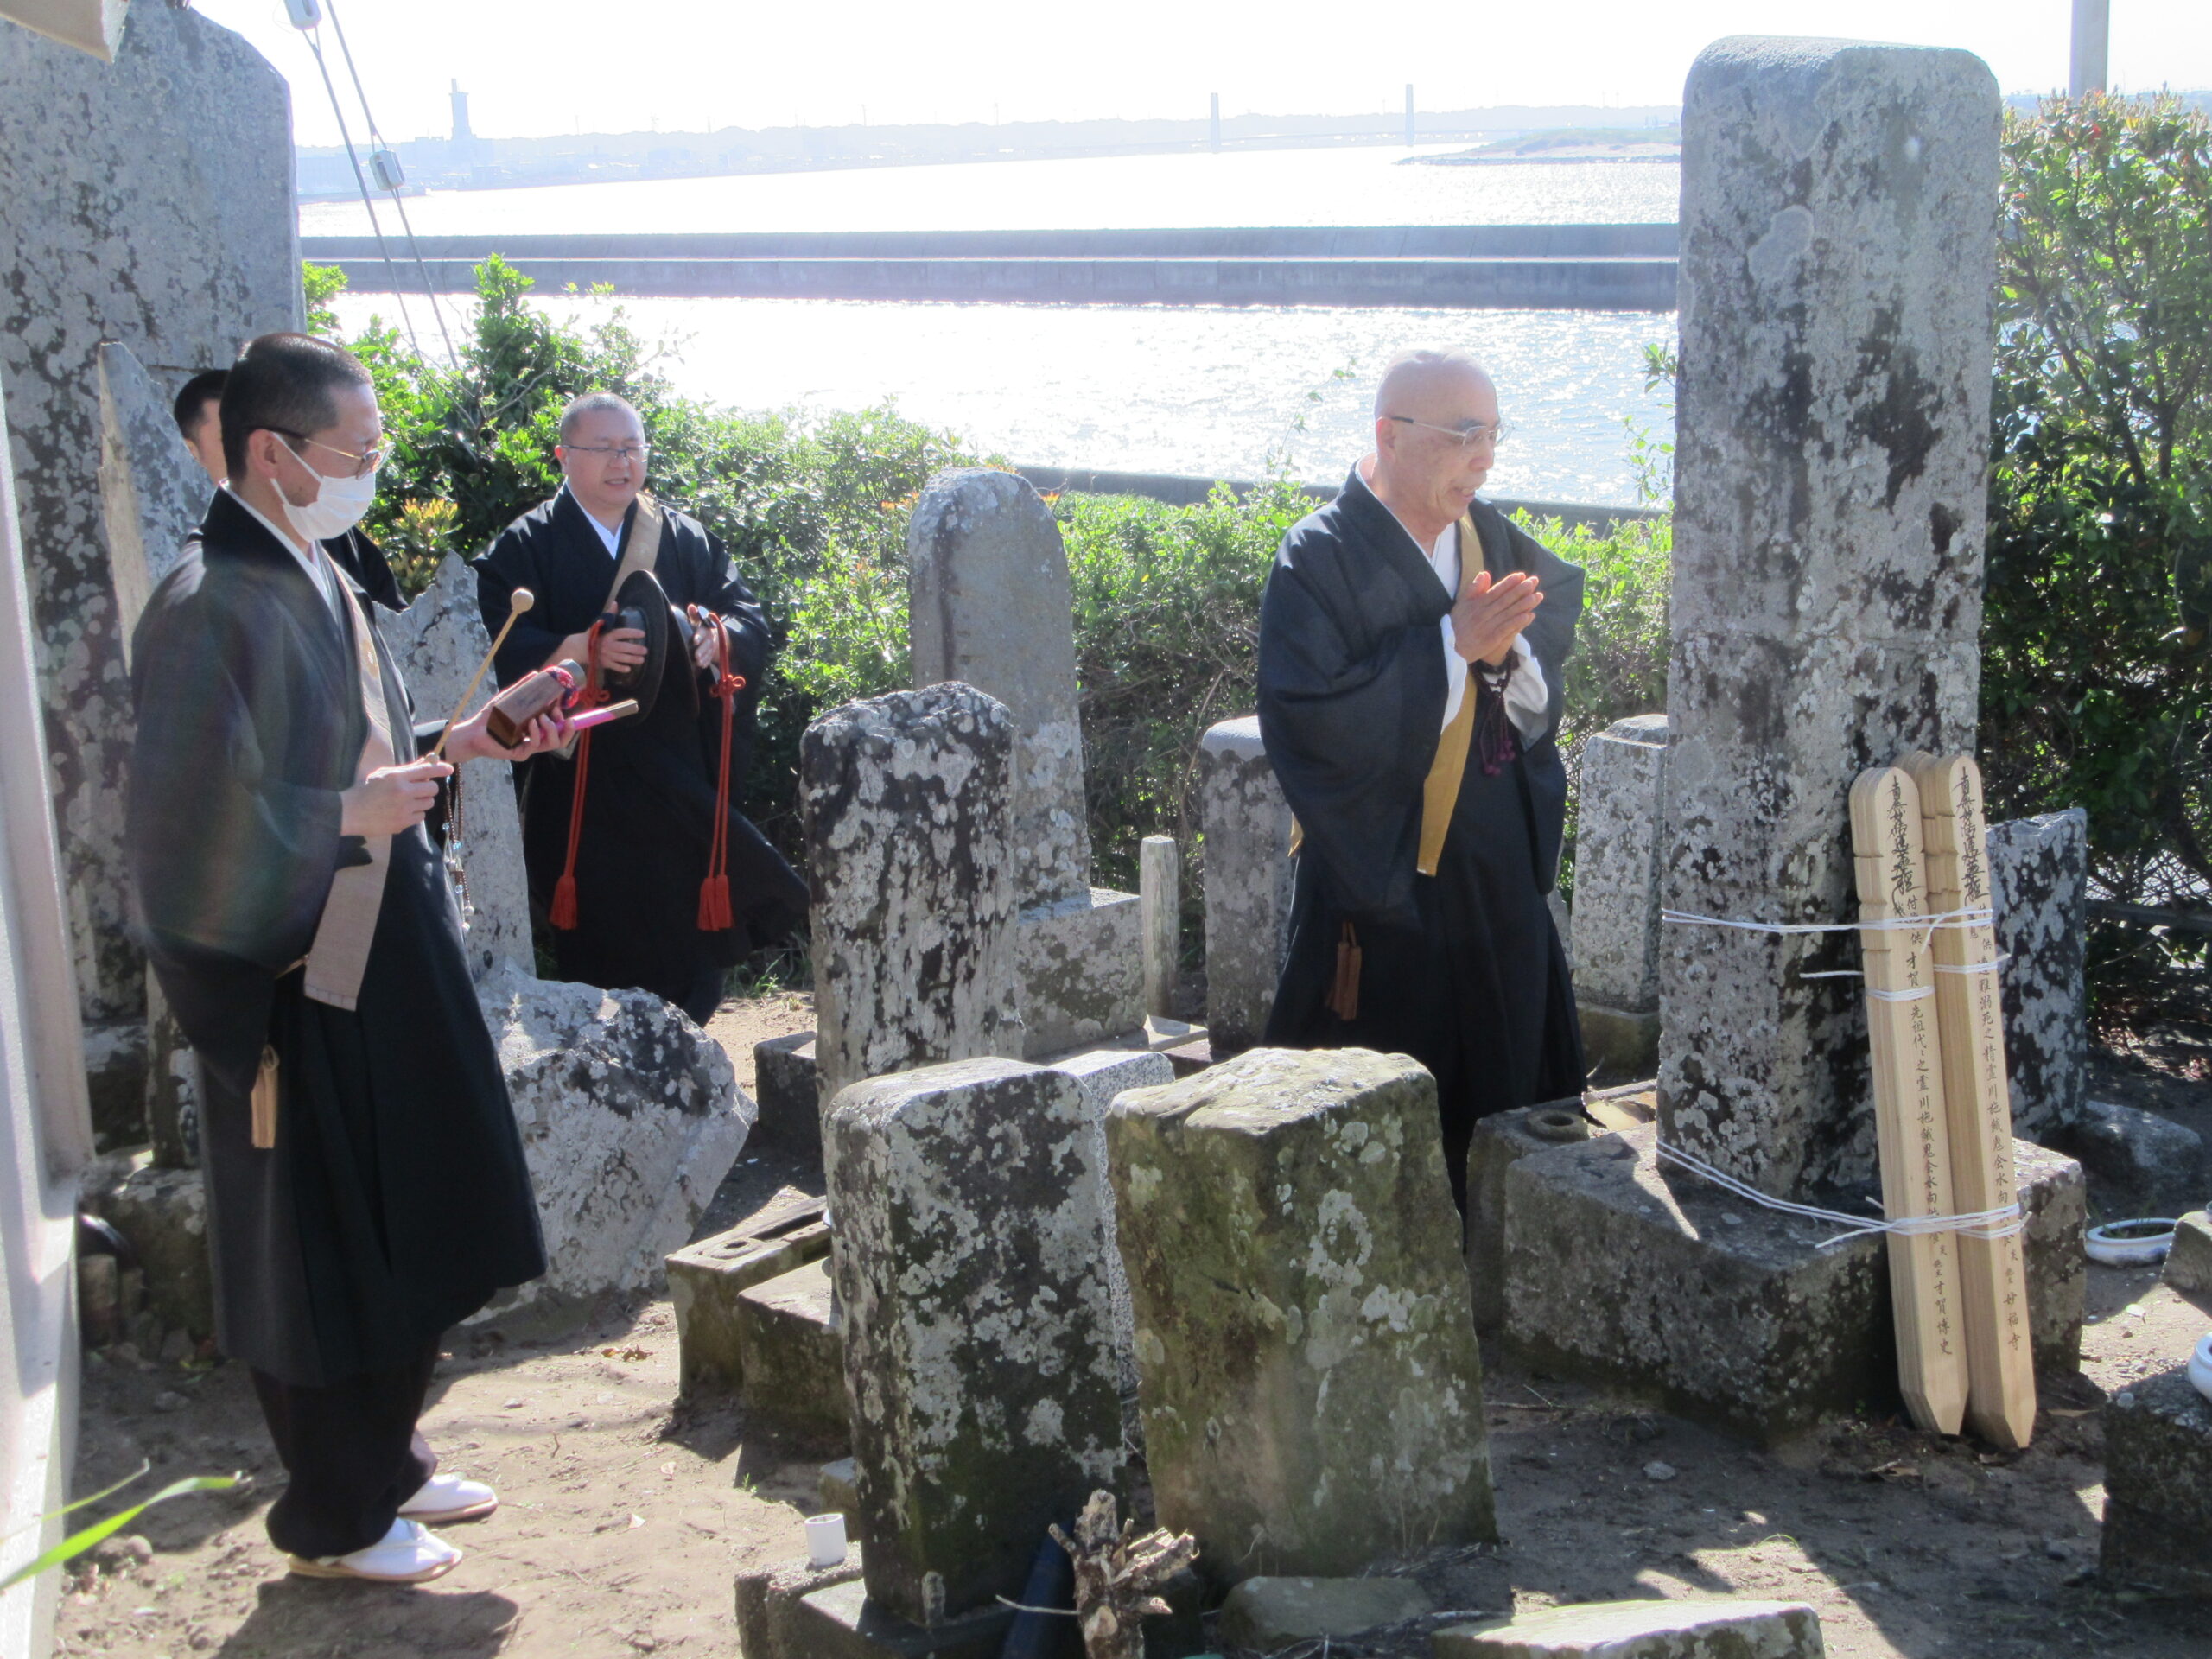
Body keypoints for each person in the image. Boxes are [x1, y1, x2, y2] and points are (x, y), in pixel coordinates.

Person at [128, 333, 568, 1584]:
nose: (369, 470)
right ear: (272, 453)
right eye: (354, 453)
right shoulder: (209, 604)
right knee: (327, 1237)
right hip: (299, 972)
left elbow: (363, 757)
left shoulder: (306, 568)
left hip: (384, 935)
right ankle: (336, 1514)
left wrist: (465, 738)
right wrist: (336, 817)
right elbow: (178, 835)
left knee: (431, 1198)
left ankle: (392, 1458)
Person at [1259, 350, 1586, 1211]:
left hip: (1495, 865)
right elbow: (1309, 722)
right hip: (1388, 878)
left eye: (1492, 435)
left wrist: (1505, 648)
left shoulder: (1487, 535)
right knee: (1388, 1100)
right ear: (1389, 437)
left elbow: (1540, 637)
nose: (1484, 458)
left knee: (1513, 1081)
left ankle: (1510, 1246)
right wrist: (1449, 649)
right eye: (1462, 436)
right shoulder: (1318, 558)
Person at [474, 391, 806, 1024]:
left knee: (686, 924)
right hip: (581, 773)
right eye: (602, 449)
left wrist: (718, 637)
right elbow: (494, 640)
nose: (620, 462)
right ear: (564, 456)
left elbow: (748, 615)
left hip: (676, 760)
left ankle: (693, 1046)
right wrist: (581, 648)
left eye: (631, 448)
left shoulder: (684, 536)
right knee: (601, 926)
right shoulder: (527, 544)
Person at [173, 365, 404, 612]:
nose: (255, 450)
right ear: (193, 450)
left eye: (265, 436)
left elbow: (389, 621)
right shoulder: (195, 575)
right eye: (231, 438)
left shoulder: (325, 522)